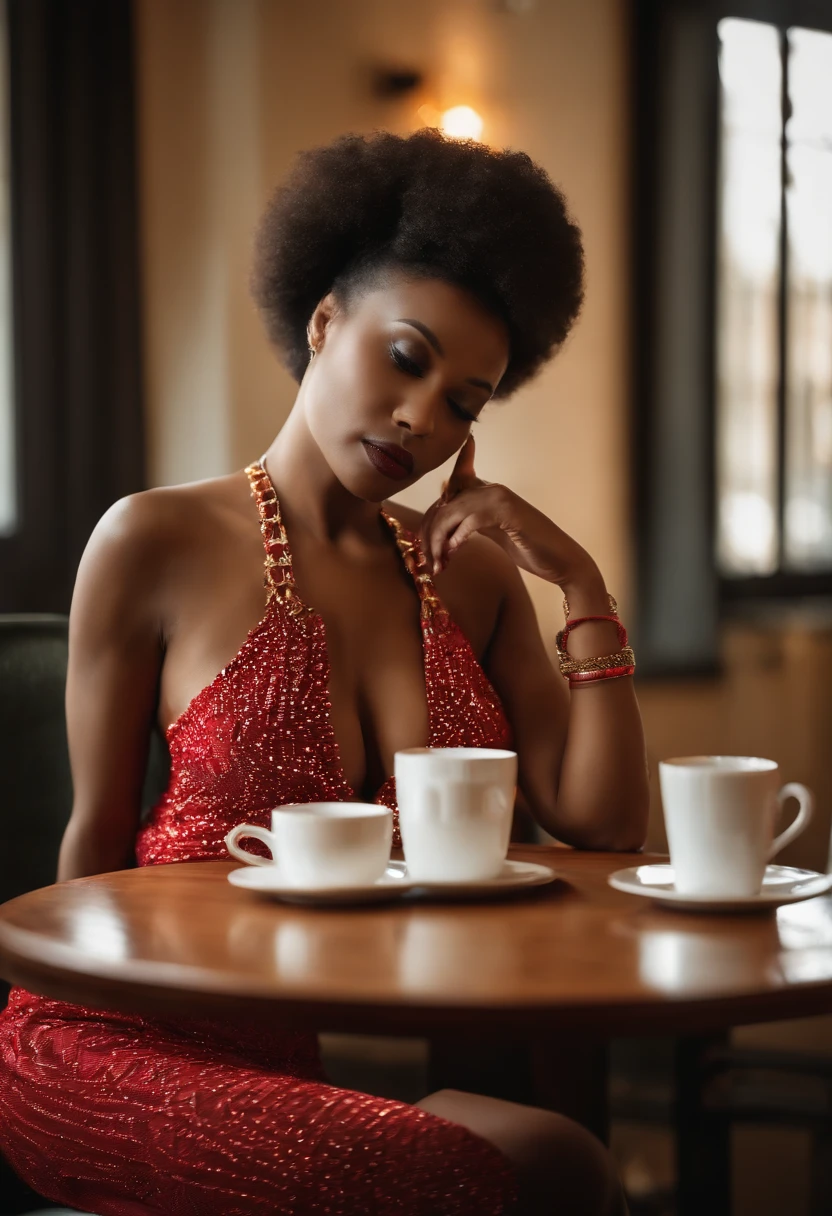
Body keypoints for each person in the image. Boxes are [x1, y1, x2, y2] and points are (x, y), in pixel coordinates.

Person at [0, 128, 648, 1215]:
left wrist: (579, 582)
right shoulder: (150, 539)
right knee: (464, 1176)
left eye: (465, 401)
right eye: (406, 357)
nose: (422, 417)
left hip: (278, 1067)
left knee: (571, 1162)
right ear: (323, 321)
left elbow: (602, 822)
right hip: (103, 1043)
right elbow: (92, 846)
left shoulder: (472, 580)